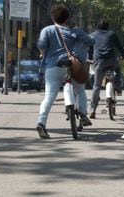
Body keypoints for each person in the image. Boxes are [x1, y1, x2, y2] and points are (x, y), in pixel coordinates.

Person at [36, 4, 95, 139]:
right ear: (67, 18)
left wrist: (43, 54)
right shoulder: (75, 32)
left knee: (49, 96)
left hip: (52, 67)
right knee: (80, 91)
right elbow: (92, 41)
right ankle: (83, 115)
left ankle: (41, 122)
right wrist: (79, 47)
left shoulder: (47, 30)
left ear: (52, 17)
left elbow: (41, 45)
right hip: (72, 67)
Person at [89, 18, 124, 119]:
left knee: (96, 86)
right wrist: (123, 55)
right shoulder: (112, 34)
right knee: (118, 69)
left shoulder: (92, 35)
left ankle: (93, 109)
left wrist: (89, 58)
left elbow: (89, 49)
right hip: (111, 60)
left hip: (99, 62)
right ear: (107, 27)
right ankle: (117, 86)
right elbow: (120, 47)